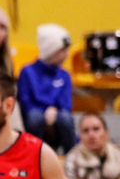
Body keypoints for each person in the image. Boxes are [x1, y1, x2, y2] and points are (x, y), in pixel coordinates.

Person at [17, 24, 76, 154]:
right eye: (63, 50)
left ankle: (71, 156)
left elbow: (66, 103)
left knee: (65, 118)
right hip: (35, 116)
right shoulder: (27, 72)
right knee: (34, 117)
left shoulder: (64, 75)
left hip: (57, 117)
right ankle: (33, 155)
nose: (66, 55)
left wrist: (54, 111)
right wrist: (45, 111)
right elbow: (25, 101)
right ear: (51, 49)